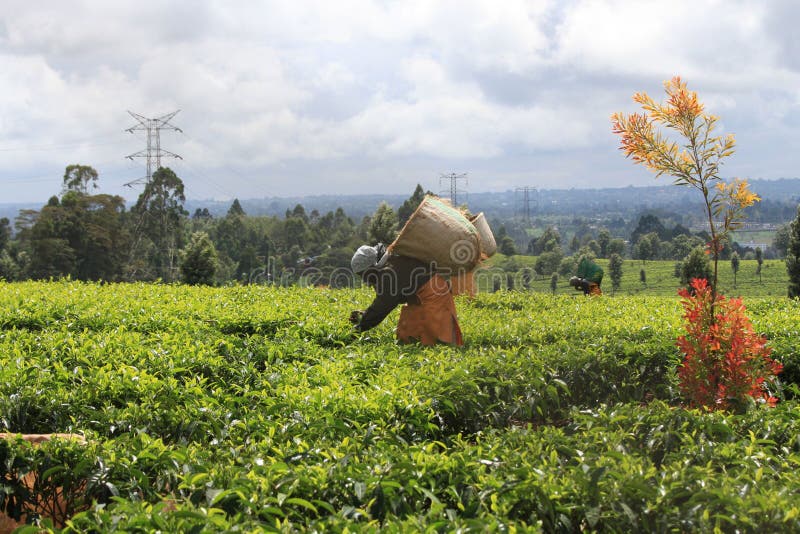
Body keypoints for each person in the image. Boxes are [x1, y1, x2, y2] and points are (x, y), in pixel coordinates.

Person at [349, 244, 463, 346]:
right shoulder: (390, 263)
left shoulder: (388, 272)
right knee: (408, 337)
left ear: (372, 266)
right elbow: (386, 301)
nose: (365, 279)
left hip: (433, 294)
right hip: (422, 296)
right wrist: (365, 316)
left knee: (434, 339)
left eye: (364, 274)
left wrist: (359, 327)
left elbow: (384, 304)